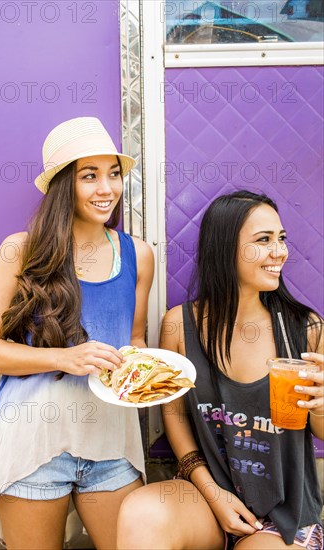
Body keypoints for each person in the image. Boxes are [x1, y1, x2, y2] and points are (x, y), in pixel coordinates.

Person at [0, 117, 154, 550]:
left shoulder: (139, 255)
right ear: (62, 186)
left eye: (113, 174)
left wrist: (144, 370)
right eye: (89, 176)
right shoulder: (21, 249)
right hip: (33, 441)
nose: (106, 188)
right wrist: (62, 357)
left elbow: (136, 340)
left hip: (113, 442)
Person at [117, 190, 324, 550]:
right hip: (206, 500)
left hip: (281, 519)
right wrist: (213, 493)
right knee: (141, 514)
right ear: (226, 249)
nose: (280, 252)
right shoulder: (179, 326)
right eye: (263, 240)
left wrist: (321, 406)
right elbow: (176, 415)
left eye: (281, 239)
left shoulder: (305, 329)